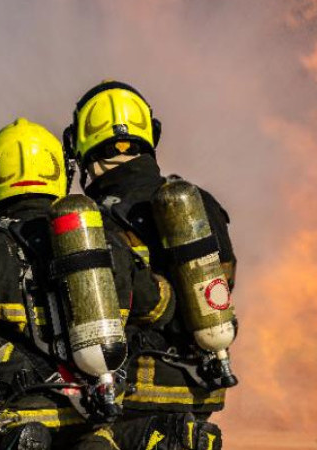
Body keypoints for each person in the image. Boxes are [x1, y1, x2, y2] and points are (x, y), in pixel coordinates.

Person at [0, 118, 133, 450]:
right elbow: (149, 310)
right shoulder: (103, 239)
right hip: (91, 417)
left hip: (15, 419)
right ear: (63, 173)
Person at [63, 81, 238, 450]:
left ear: (80, 146)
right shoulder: (197, 202)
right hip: (200, 389)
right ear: (151, 134)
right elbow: (223, 281)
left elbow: (113, 299)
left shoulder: (93, 220)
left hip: (132, 393)